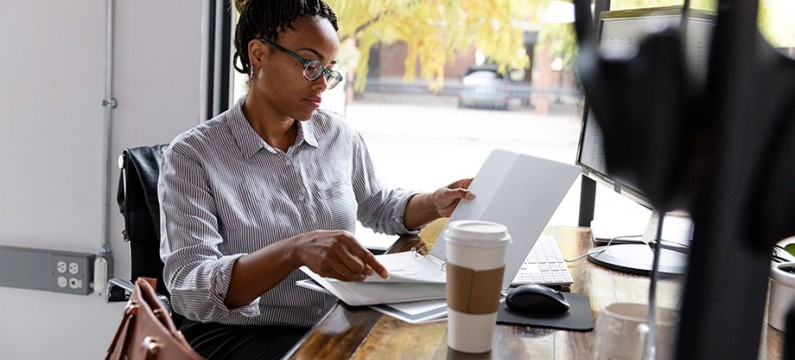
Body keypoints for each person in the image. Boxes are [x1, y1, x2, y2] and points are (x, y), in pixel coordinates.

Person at [157, 0, 474, 358]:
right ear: (259, 55)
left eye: (329, 69)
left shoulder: (336, 134)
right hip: (242, 335)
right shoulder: (192, 155)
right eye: (310, 65)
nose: (323, 83)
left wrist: (434, 202)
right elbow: (188, 288)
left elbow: (379, 206)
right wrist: (295, 250)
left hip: (334, 318)